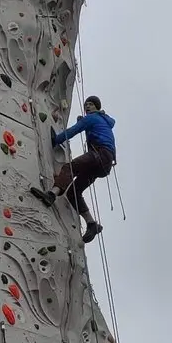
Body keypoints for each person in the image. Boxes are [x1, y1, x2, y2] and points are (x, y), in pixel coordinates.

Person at [30, 96, 116, 243]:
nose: (87, 107)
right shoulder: (103, 121)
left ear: (96, 107)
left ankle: (51, 194)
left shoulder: (93, 118)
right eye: (86, 105)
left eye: (90, 104)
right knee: (74, 192)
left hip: (99, 154)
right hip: (104, 164)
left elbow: (74, 131)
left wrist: (57, 139)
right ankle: (91, 223)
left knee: (70, 168)